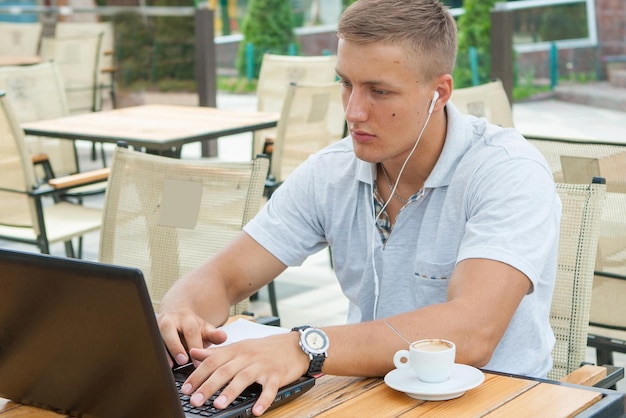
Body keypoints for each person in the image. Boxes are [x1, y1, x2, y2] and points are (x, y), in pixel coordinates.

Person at [157, 0, 561, 415]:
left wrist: (305, 346)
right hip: (372, 397)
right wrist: (179, 312)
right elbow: (224, 277)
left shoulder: (507, 171)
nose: (353, 111)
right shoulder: (331, 171)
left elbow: (473, 331)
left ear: (438, 93)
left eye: (379, 90)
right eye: (345, 83)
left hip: (500, 401)